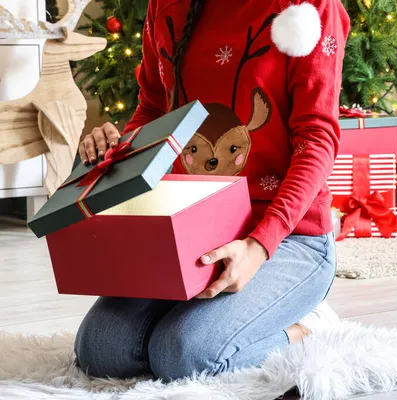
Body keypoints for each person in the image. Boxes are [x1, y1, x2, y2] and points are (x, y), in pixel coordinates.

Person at [73, 0, 351, 381]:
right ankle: (222, 321)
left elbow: (317, 138)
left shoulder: (313, 8)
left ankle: (304, 330)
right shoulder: (167, 5)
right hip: (193, 229)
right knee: (100, 351)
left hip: (289, 237)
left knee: (185, 357)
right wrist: (118, 146)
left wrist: (259, 244)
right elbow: (154, 109)